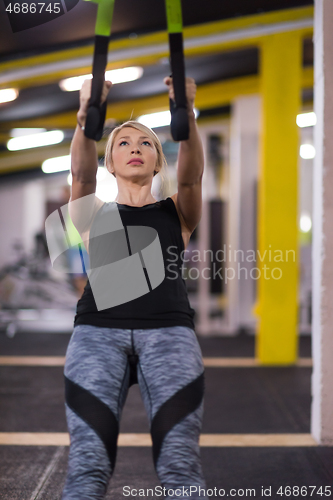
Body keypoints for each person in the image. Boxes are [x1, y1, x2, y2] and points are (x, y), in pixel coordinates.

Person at [62, 74, 207, 500]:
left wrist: (188, 115)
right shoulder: (92, 213)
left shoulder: (178, 214)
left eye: (145, 143)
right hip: (96, 337)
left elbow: (192, 178)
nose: (135, 149)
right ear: (111, 162)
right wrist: (86, 119)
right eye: (123, 143)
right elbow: (79, 174)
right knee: (87, 470)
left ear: (159, 160)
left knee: (181, 468)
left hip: (169, 336)